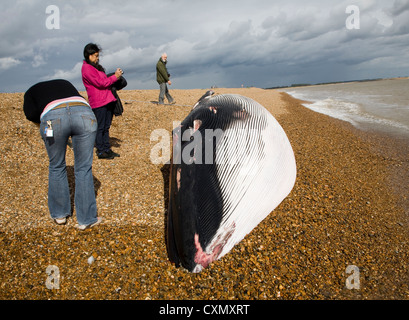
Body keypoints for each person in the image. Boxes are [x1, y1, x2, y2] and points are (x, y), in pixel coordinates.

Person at [23, 79, 102, 230]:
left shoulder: (30, 93)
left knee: (56, 165)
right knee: (84, 168)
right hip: (85, 115)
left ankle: (60, 215)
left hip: (52, 122)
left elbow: (32, 115)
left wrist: (48, 132)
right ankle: (86, 219)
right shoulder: (64, 83)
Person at [81, 43, 123, 159]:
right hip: (99, 102)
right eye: (95, 55)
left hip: (107, 100)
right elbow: (101, 83)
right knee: (100, 127)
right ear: (88, 55)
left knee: (106, 126)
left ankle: (107, 149)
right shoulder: (87, 69)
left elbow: (104, 81)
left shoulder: (96, 67)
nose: (97, 58)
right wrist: (115, 76)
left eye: (98, 55)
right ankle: (101, 151)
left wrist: (115, 78)